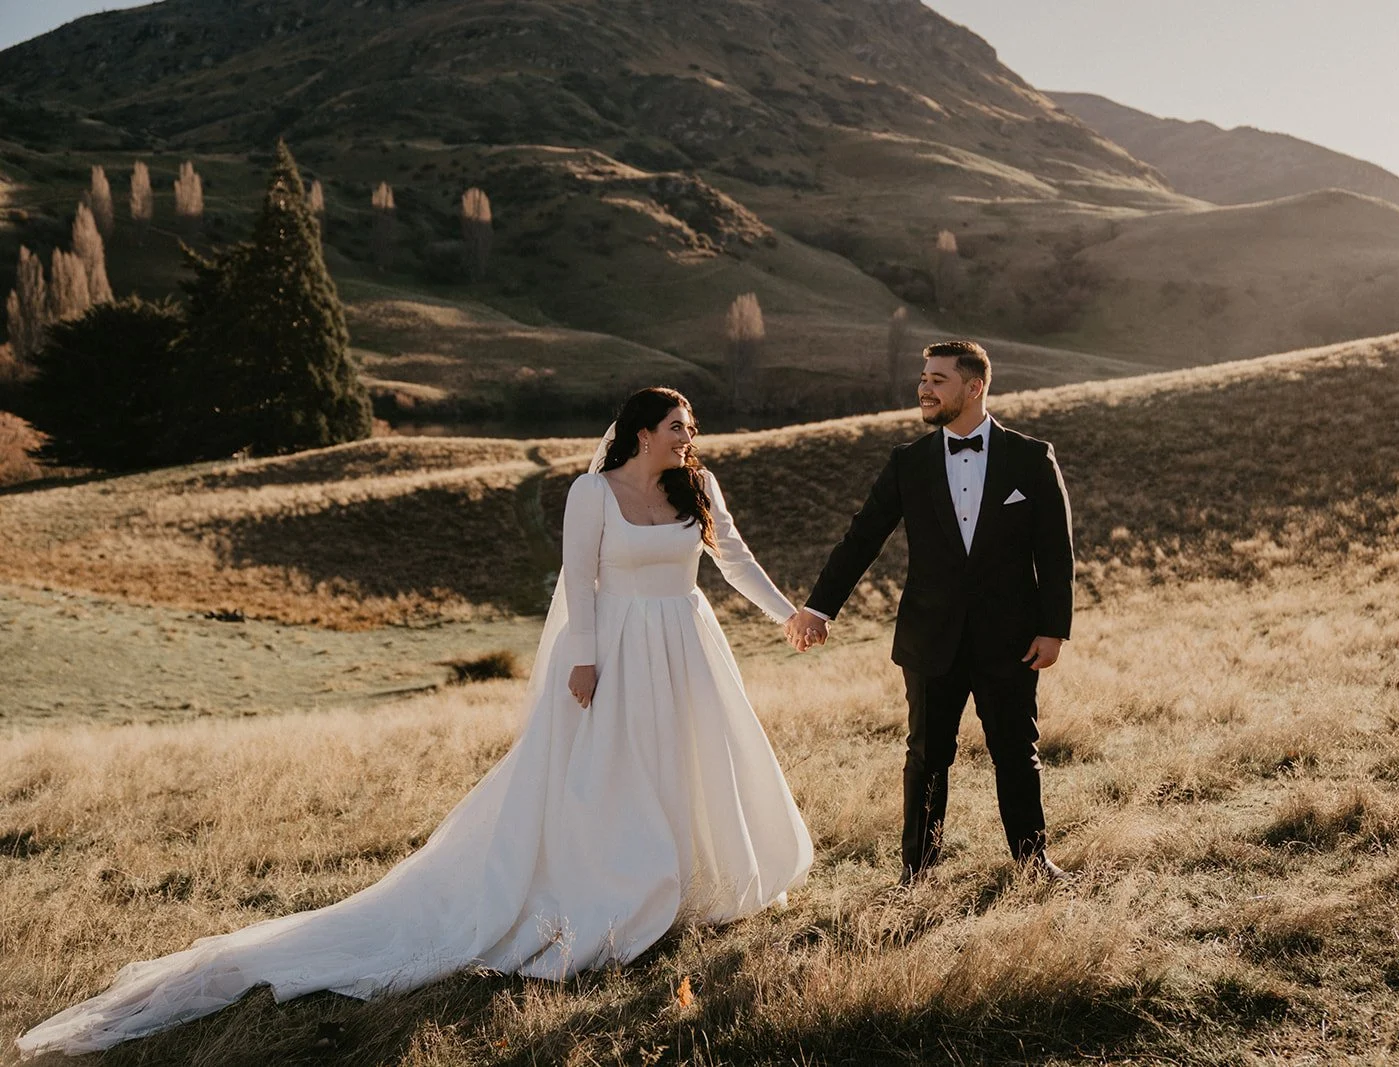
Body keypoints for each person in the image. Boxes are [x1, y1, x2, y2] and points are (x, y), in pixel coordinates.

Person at [18, 387, 812, 1058]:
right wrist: (586, 658)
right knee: (615, 772)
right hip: (619, 650)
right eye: (679, 426)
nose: (690, 437)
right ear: (643, 430)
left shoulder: (698, 490)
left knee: (693, 762)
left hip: (688, 645)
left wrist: (786, 614)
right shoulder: (591, 493)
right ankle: (620, 885)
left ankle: (694, 884)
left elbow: (734, 557)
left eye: (692, 429)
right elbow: (578, 579)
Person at [787, 341, 1074, 886]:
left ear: (974, 387)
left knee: (1016, 752)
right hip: (928, 638)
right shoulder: (908, 463)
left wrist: (1053, 629)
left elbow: (1055, 552)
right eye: (923, 377)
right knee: (926, 757)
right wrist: (820, 607)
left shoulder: (1031, 458)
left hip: (1010, 639)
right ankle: (916, 875)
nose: (924, 388)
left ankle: (1035, 865)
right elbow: (862, 538)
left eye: (938, 379)